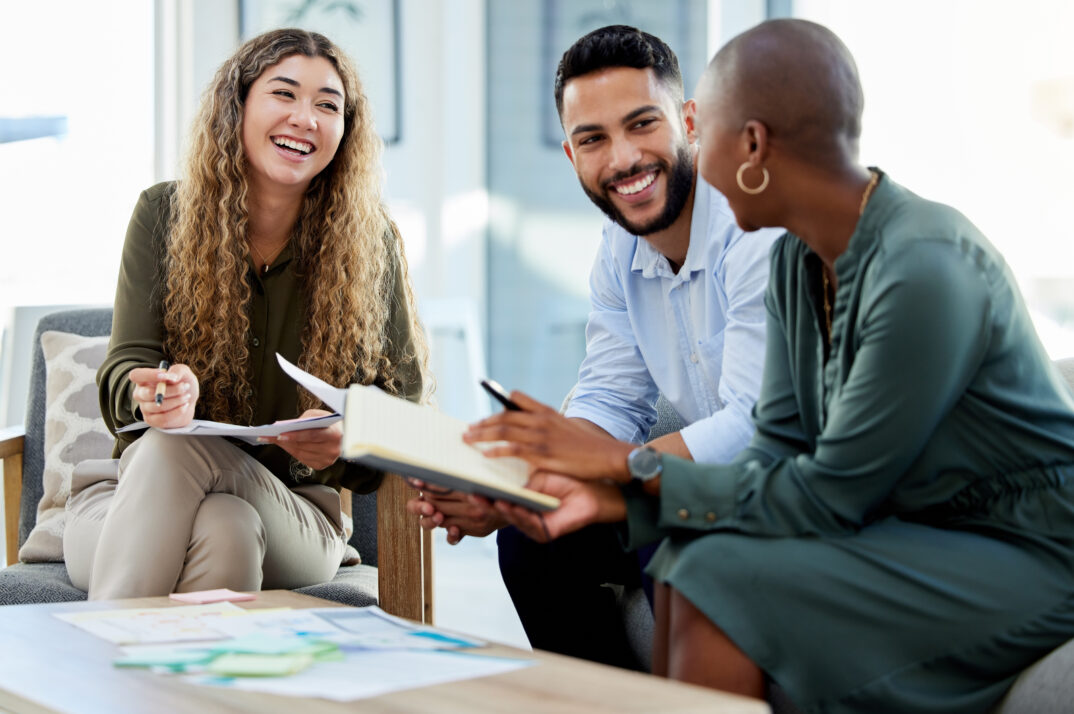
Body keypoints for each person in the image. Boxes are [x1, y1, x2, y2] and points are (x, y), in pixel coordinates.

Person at [465, 18, 1074, 713]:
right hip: (906, 521)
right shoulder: (796, 259)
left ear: (748, 144)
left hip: (1023, 545)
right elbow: (776, 448)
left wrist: (616, 479)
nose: (700, 167)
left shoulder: (924, 268)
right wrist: (587, 488)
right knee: (696, 564)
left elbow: (827, 493)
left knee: (713, 575)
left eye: (704, 129)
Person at [409, 25, 780, 669]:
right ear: (571, 154)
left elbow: (753, 426)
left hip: (770, 488)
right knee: (532, 542)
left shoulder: (753, 229)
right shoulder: (620, 248)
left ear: (688, 120)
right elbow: (610, 395)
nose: (623, 159)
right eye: (593, 139)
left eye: (642, 124)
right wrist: (512, 488)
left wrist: (598, 468)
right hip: (690, 477)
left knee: (663, 527)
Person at [63, 28, 426, 600]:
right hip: (125, 500)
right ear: (238, 105)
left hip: (295, 514)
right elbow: (126, 366)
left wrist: (346, 438)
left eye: (327, 105)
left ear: (345, 131)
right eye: (284, 94)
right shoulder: (164, 215)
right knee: (224, 526)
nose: (305, 118)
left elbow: (405, 412)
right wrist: (155, 394)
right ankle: (186, 690)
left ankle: (97, 671)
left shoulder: (370, 243)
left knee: (179, 457)